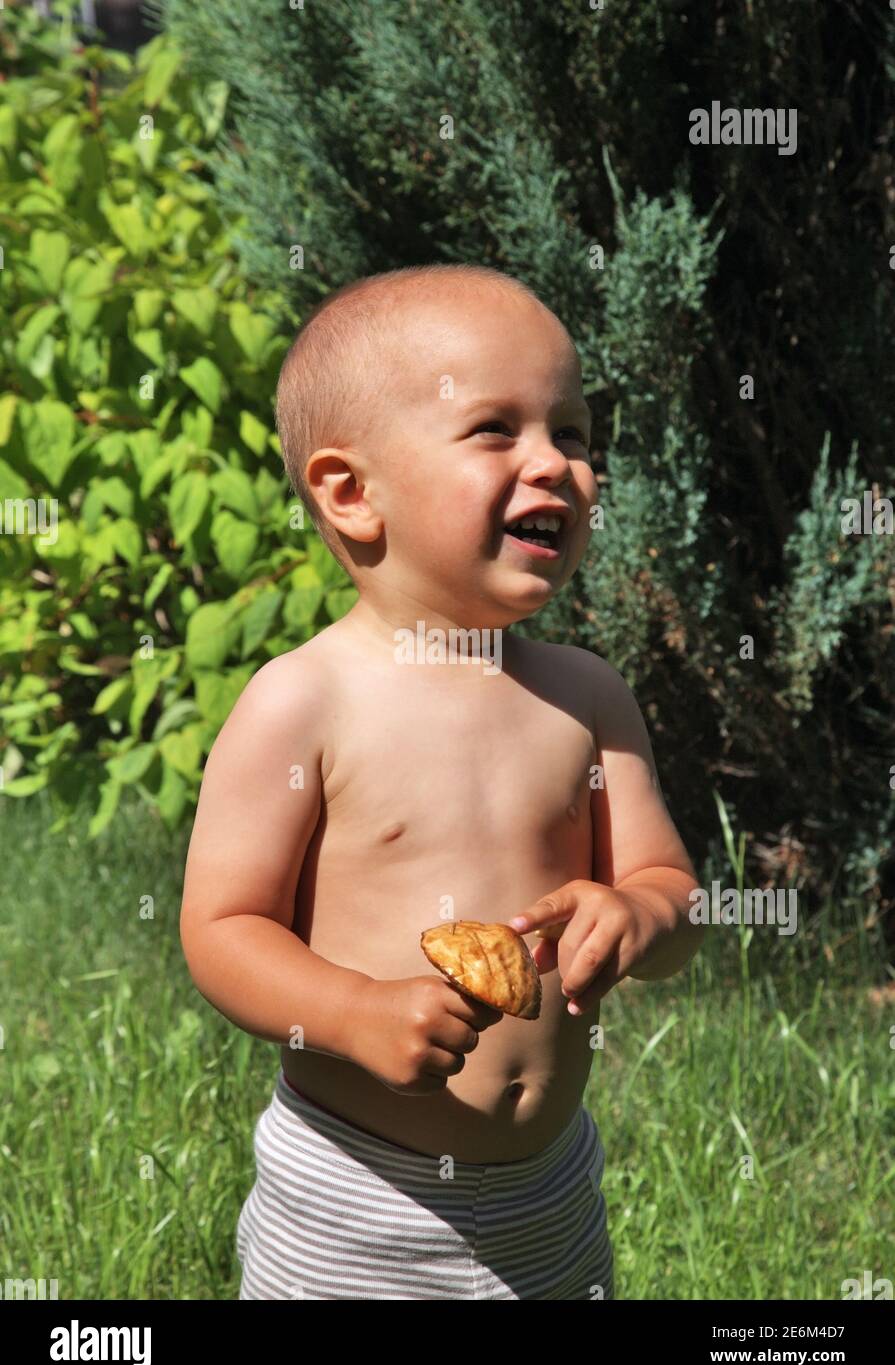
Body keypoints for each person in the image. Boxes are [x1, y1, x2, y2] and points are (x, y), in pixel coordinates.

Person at [179, 262, 705, 1299]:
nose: (556, 464)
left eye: (572, 433)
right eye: (495, 430)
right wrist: (352, 1011)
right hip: (356, 1200)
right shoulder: (303, 702)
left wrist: (638, 915)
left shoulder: (586, 697)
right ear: (350, 493)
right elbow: (223, 930)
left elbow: (673, 892)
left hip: (546, 1195)